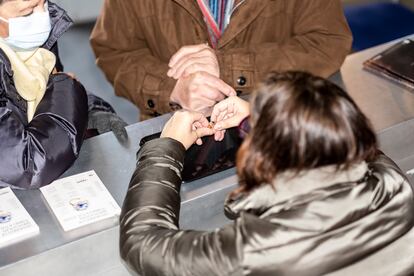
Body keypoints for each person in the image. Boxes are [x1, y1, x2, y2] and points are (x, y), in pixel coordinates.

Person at [120, 71, 414, 275]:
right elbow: (352, 145)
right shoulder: (394, 184)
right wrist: (259, 121)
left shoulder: (254, 249)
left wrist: (166, 147)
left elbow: (143, 243)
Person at [90, 0, 353, 120]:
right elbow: (115, 51)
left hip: (276, 120)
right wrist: (171, 89)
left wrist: (228, 67)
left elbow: (327, 41)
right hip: (174, 129)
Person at [0, 0, 125, 190]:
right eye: (26, 12)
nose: (43, 17)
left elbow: (50, 90)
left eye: (44, 2)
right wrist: (67, 91)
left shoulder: (31, 45)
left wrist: (92, 110)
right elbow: (31, 165)